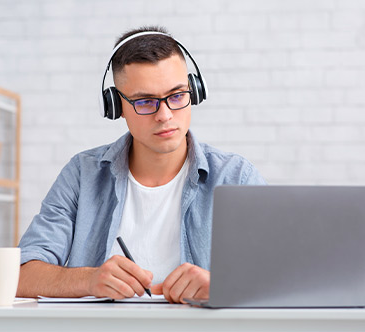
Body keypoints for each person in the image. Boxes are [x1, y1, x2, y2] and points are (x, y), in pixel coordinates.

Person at [17, 26, 266, 304]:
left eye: (177, 95)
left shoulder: (236, 176)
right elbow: (21, 276)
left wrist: (223, 286)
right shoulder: (81, 175)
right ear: (115, 106)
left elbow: (280, 274)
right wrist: (89, 279)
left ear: (194, 91)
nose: (165, 115)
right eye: (145, 102)